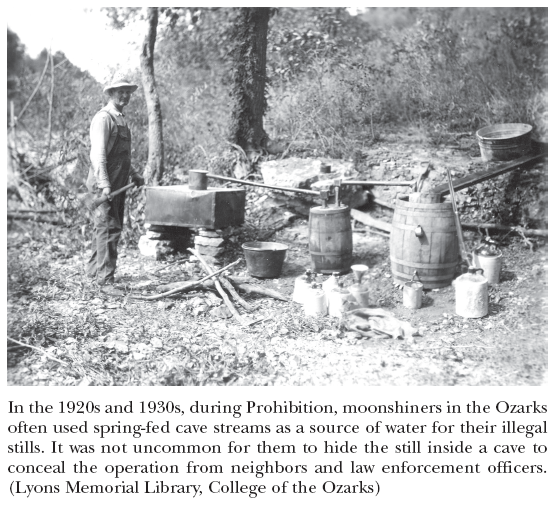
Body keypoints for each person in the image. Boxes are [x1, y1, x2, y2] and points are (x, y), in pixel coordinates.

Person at [86, 73, 145, 291]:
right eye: (120, 92)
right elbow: (98, 155)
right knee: (108, 229)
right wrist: (105, 185)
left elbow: (122, 156)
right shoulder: (104, 118)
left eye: (128, 92)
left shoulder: (121, 118)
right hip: (105, 185)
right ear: (111, 93)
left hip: (117, 184)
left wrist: (135, 174)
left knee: (104, 228)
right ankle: (105, 281)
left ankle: (93, 273)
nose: (125, 96)